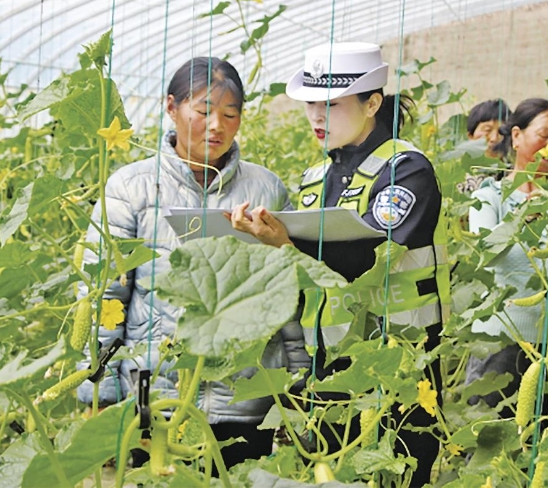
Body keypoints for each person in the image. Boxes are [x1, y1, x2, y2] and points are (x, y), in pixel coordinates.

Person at [227, 42, 448, 485]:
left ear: (372, 103)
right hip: (327, 364)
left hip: (398, 361)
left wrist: (288, 243)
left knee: (398, 471)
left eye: (330, 105)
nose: (316, 117)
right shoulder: (314, 179)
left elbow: (371, 257)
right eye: (310, 104)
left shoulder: (407, 171)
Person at [76, 57, 308, 471]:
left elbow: (287, 296)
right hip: (152, 393)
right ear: (171, 108)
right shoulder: (130, 188)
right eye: (203, 111)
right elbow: (104, 298)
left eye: (230, 114)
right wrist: (98, 393)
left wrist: (298, 385)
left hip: (243, 397)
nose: (217, 125)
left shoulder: (266, 189)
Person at [464, 98, 548, 418]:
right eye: (544, 136)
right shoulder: (488, 196)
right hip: (500, 342)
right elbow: (486, 255)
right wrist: (521, 219)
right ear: (517, 136)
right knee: (492, 439)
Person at [457, 98, 511, 194]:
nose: (494, 138)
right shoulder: (457, 174)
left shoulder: (514, 175)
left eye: (501, 131)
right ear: (470, 136)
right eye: (487, 130)